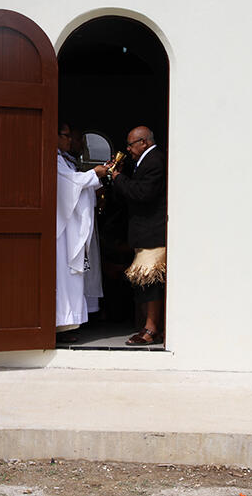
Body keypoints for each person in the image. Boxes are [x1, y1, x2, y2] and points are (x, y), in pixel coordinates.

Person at [110, 126, 167, 345]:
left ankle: (151, 330)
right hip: (143, 234)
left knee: (149, 281)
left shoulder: (154, 161)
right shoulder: (143, 161)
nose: (128, 149)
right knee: (143, 283)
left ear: (144, 142)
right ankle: (149, 327)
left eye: (131, 144)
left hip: (152, 234)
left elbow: (143, 193)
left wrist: (118, 178)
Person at [55, 122, 109, 341]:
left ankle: (66, 325)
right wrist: (94, 174)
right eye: (66, 135)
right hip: (61, 230)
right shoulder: (54, 159)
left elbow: (75, 183)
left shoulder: (63, 159)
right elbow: (69, 185)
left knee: (70, 276)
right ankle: (60, 324)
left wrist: (93, 178)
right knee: (62, 275)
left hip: (69, 228)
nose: (70, 140)